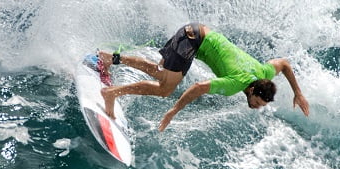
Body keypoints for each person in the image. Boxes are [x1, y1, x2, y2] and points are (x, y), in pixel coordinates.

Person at [97, 23, 309, 131]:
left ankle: (110, 59)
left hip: (196, 32)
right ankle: (111, 93)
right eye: (257, 102)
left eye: (260, 105)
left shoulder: (264, 73)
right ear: (252, 91)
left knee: (161, 73)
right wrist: (173, 111)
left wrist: (298, 93)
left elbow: (284, 64)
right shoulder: (236, 84)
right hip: (193, 40)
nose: (257, 106)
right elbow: (198, 87)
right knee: (165, 89)